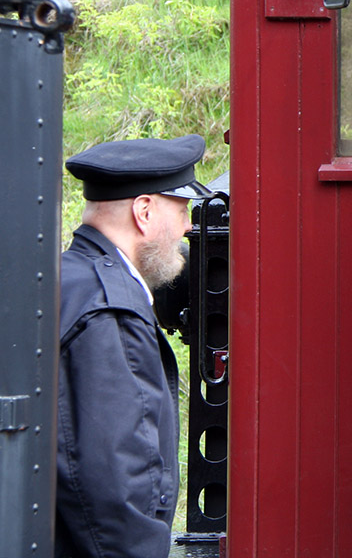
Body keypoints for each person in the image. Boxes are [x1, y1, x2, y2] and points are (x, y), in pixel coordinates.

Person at [57, 135, 213, 558]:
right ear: (144, 211)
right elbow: (114, 487)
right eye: (180, 209)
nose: (186, 226)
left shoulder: (67, 278)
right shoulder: (112, 311)